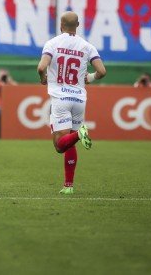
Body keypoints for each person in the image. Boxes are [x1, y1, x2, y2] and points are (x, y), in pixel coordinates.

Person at [37, 11, 107, 195]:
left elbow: (41, 66)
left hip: (60, 99)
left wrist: (43, 77)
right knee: (70, 143)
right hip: (79, 99)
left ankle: (79, 134)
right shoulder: (87, 46)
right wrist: (90, 78)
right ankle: (69, 186)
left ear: (61, 25)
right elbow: (102, 71)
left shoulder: (52, 43)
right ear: (78, 25)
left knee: (60, 145)